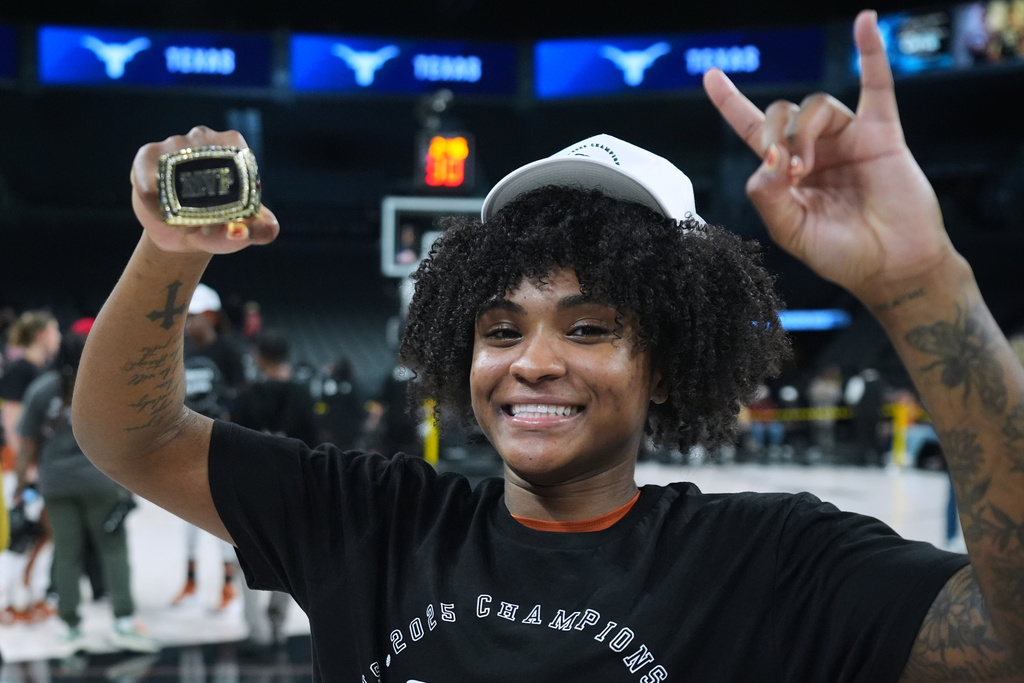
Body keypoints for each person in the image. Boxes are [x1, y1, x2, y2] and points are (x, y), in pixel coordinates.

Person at [73, 11, 1023, 681]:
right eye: (499, 327)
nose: (531, 360)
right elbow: (131, 436)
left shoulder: (773, 563)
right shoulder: (372, 525)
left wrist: (922, 283)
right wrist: (169, 252)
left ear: (669, 355)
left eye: (590, 326)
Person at [16, 333, 159, 655]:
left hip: (56, 485)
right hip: (100, 482)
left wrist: (20, 487)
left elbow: (27, 444)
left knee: (67, 552)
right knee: (113, 549)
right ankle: (123, 623)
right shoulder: (106, 387)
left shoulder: (41, 390)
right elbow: (126, 437)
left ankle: (70, 627)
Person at [229, 328, 316, 650]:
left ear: (260, 358)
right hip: (295, 488)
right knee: (286, 560)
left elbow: (233, 446)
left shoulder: (247, 397)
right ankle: (278, 626)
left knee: (251, 559)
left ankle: (258, 631)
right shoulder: (303, 393)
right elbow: (317, 445)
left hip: (254, 492)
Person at [172, 283, 244, 610]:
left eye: (195, 316)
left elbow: (242, 398)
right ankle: (190, 580)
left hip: (221, 447)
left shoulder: (229, 352)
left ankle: (228, 585)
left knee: (221, 518)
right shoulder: (182, 350)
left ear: (212, 317)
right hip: (187, 445)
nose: (189, 323)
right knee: (186, 517)